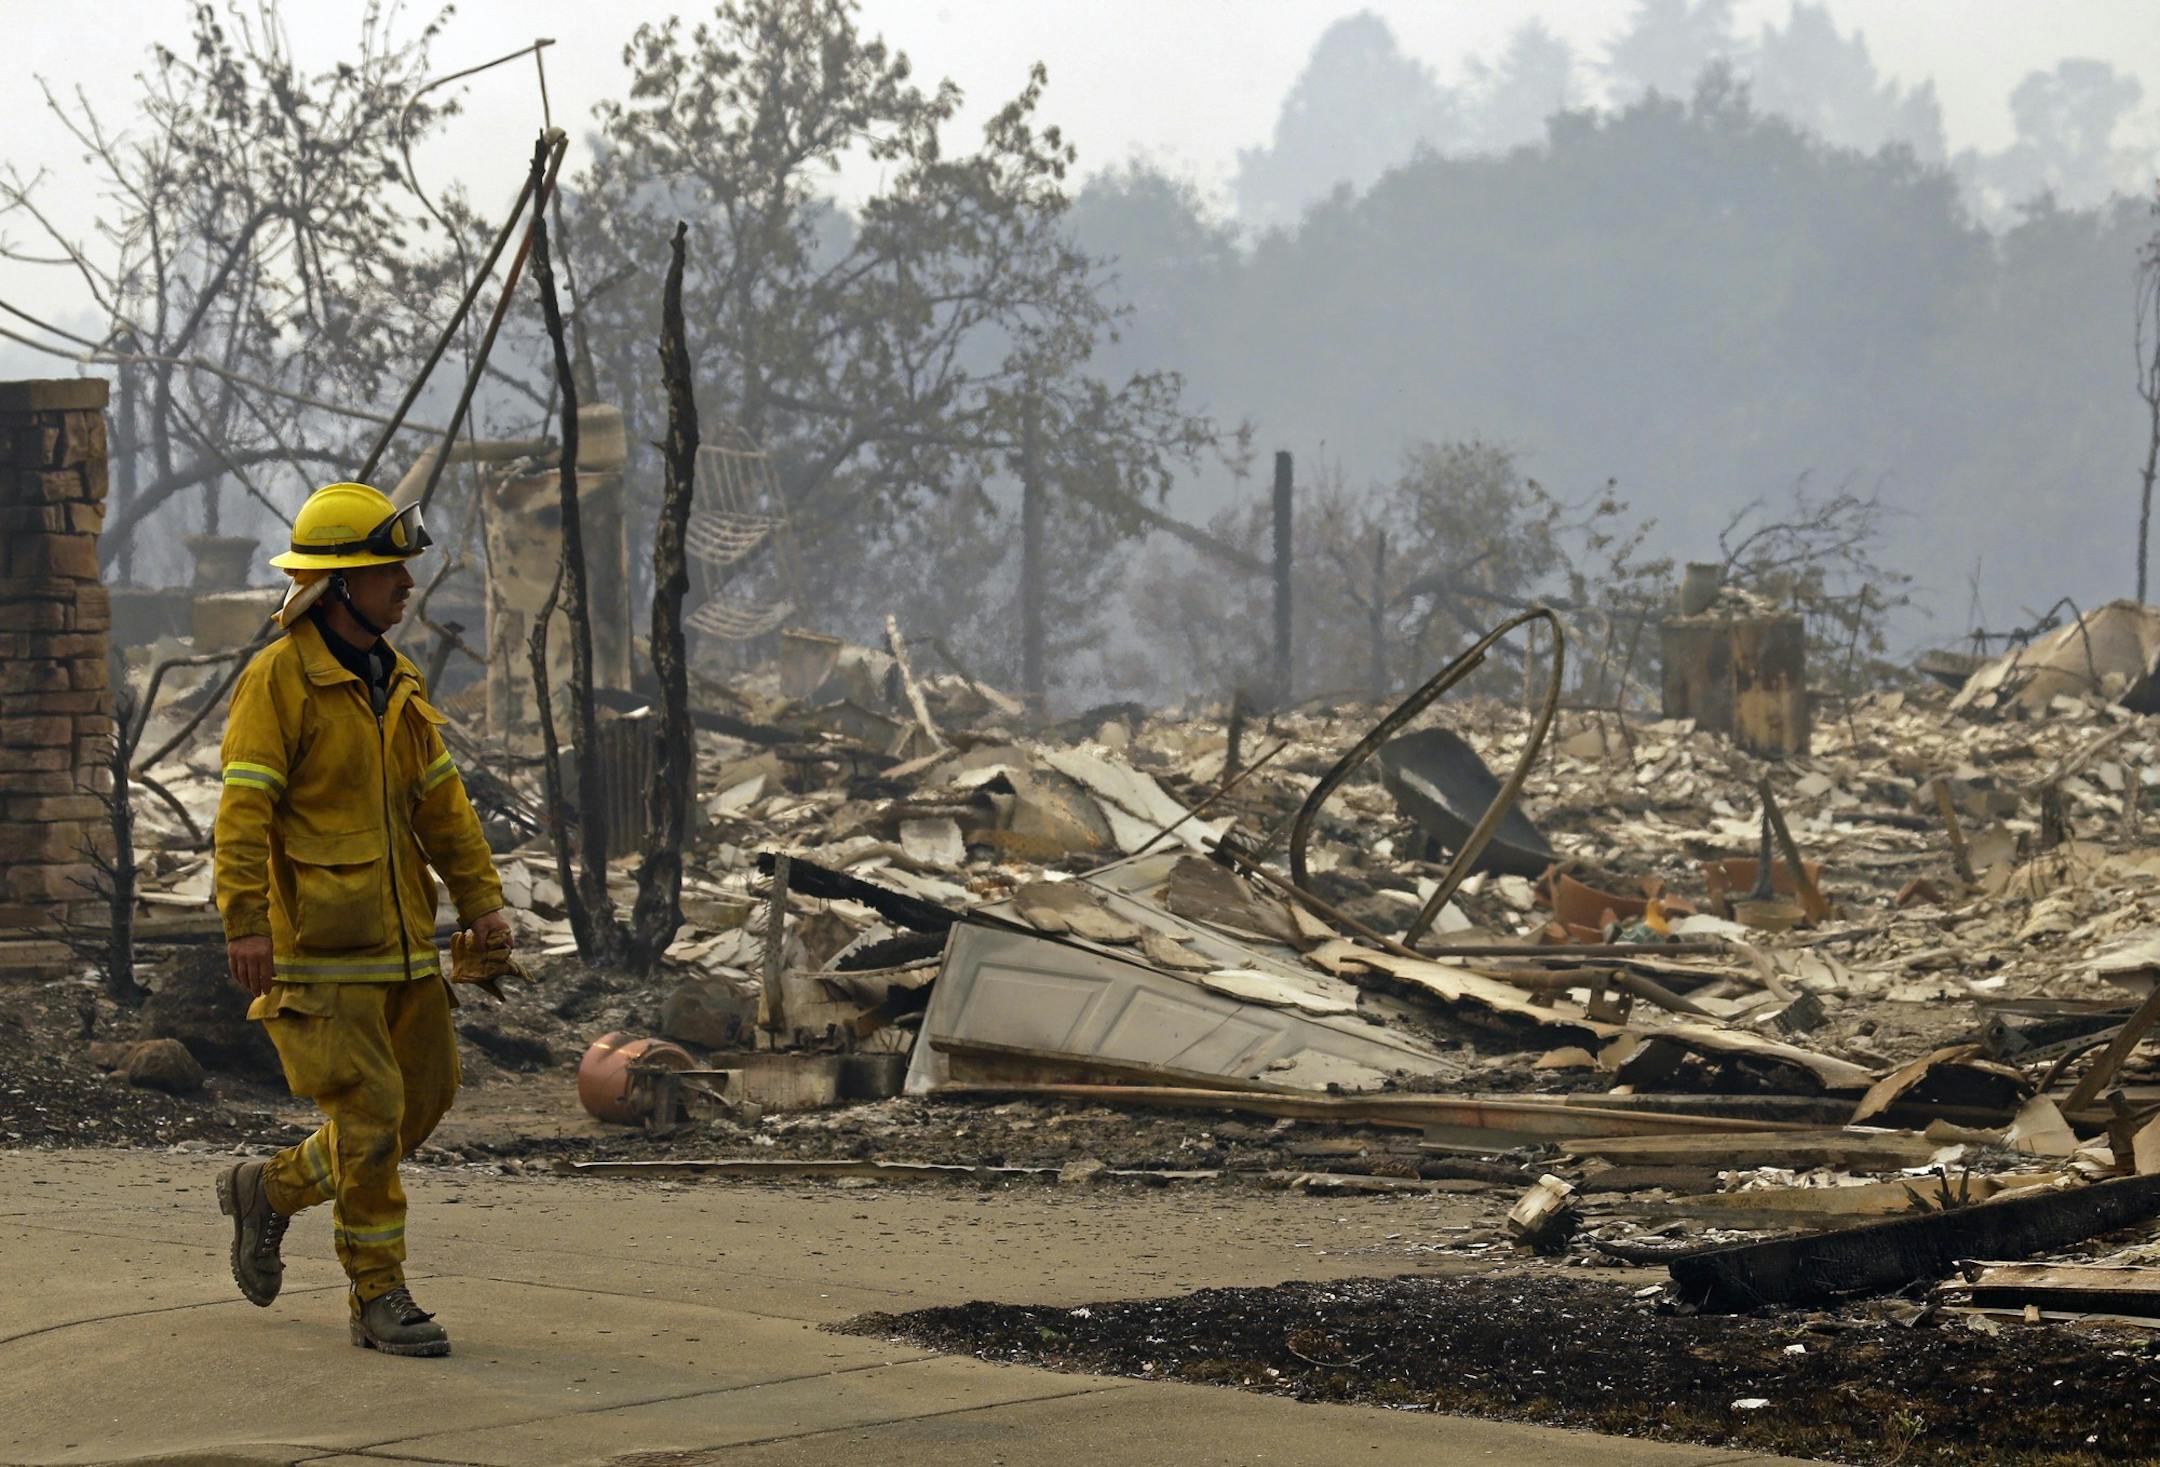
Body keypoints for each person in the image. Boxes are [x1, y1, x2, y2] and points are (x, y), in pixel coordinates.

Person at [211, 481, 510, 1358]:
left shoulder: (398, 679)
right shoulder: (279, 681)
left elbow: (442, 804)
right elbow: (242, 813)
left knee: (422, 1100)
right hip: (318, 952)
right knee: (372, 1115)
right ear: (339, 585)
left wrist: (482, 903)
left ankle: (266, 1188)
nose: (407, 587)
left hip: (404, 943)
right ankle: (379, 1295)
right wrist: (245, 922)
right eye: (389, 574)